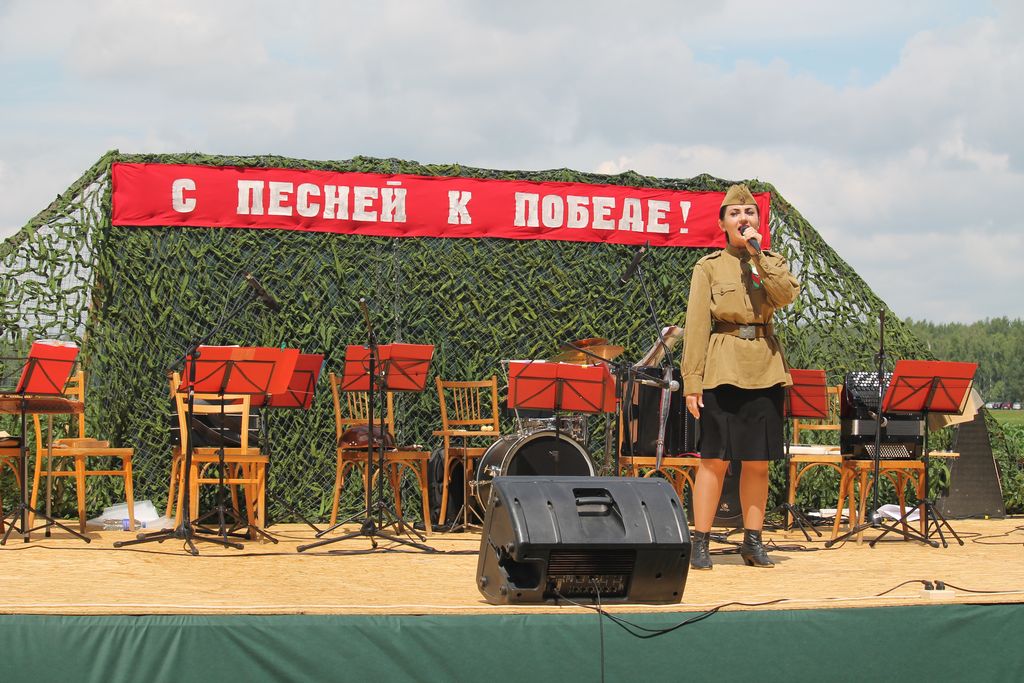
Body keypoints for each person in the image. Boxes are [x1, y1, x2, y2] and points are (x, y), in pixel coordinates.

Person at [681, 184, 799, 569]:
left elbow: (784, 296)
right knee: (713, 459)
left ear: (758, 221)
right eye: (734, 213)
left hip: (766, 366)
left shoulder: (772, 261)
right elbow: (697, 326)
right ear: (722, 223)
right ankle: (700, 541)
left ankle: (753, 540)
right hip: (723, 368)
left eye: (749, 212)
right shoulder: (709, 267)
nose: (743, 218)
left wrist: (757, 254)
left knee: (758, 461)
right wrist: (692, 381)